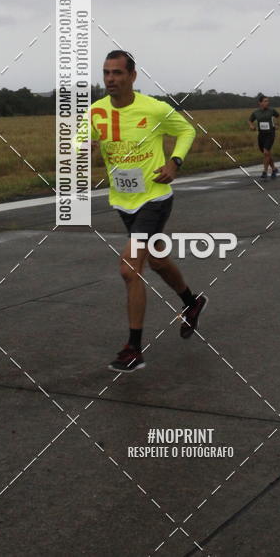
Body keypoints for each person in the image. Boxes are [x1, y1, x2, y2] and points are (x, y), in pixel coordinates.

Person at [78, 50, 206, 372]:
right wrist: (84, 148)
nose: (111, 79)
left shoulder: (154, 108)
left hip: (155, 198)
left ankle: (133, 349)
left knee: (129, 267)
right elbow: (78, 144)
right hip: (123, 201)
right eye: (106, 73)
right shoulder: (95, 112)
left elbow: (188, 131)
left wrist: (174, 162)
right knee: (158, 261)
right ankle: (192, 302)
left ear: (133, 76)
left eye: (118, 73)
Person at [249, 94, 280, 179]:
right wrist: (251, 126)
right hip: (261, 134)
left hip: (270, 134)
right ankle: (274, 168)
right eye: (265, 101)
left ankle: (265, 172)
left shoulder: (272, 110)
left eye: (268, 101)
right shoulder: (256, 112)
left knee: (266, 152)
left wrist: (277, 124)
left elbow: (278, 116)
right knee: (267, 154)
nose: (267, 103)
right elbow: (250, 120)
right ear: (260, 103)